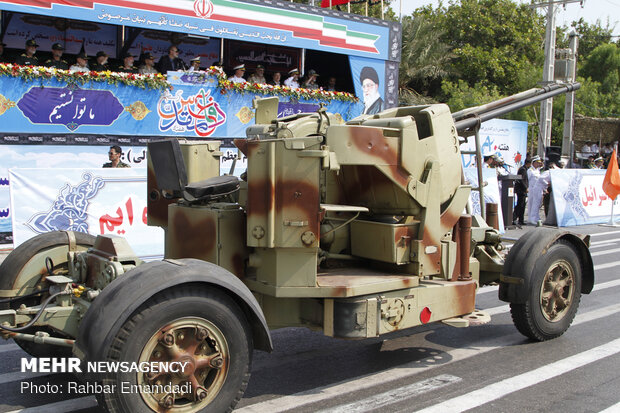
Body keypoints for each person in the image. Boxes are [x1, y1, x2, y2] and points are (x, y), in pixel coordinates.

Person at [527, 155, 550, 225]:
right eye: (537, 162)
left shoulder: (537, 170)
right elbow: (527, 180)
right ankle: (532, 219)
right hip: (531, 189)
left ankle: (535, 217)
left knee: (537, 204)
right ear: (533, 163)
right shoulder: (530, 170)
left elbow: (542, 167)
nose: (538, 164)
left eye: (539, 163)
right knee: (532, 204)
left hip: (537, 189)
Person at [513, 158, 531, 226]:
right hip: (521, 190)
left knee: (522, 205)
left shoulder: (524, 169)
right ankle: (514, 218)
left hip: (522, 190)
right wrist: (525, 188)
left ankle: (521, 220)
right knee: (520, 205)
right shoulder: (523, 170)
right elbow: (522, 180)